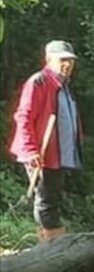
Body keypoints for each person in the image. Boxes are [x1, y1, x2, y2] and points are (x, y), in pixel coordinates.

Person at [8, 40, 84, 242]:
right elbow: (23, 116)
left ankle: (49, 244)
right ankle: (54, 247)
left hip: (58, 155)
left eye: (70, 60)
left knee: (52, 198)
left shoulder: (64, 86)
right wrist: (31, 150)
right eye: (62, 60)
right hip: (42, 154)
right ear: (49, 60)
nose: (67, 64)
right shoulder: (39, 82)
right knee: (47, 201)